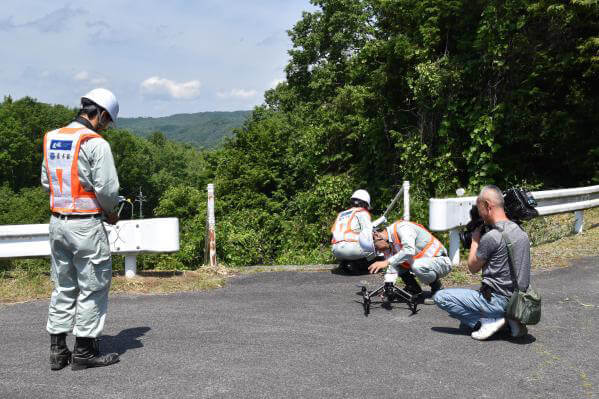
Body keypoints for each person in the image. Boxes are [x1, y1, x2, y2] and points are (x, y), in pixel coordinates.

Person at [42, 88, 121, 370]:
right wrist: (110, 211)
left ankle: (58, 351)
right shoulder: (95, 143)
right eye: (107, 120)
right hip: (86, 225)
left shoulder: (52, 138)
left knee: (63, 286)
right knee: (93, 286)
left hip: (57, 223)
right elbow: (108, 190)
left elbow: (45, 182)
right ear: (99, 113)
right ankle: (84, 352)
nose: (107, 126)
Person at [433, 185, 531, 340]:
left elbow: (472, 267)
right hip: (519, 300)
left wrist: (475, 240)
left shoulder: (492, 237)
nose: (479, 212)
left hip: (496, 299)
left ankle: (491, 320)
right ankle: (510, 319)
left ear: (487, 205)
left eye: (479, 207)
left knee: (441, 297)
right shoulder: (520, 231)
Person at [359, 218, 452, 296]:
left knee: (416, 265)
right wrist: (387, 287)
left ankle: (438, 290)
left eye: (376, 248)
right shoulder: (388, 246)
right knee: (396, 263)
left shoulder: (403, 228)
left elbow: (408, 250)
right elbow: (392, 268)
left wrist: (386, 262)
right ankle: (413, 289)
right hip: (425, 263)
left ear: (376, 235)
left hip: (441, 261)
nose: (379, 251)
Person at [331, 189, 374, 273]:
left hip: (335, 250)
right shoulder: (362, 212)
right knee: (376, 242)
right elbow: (368, 232)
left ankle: (345, 263)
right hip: (352, 250)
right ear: (365, 203)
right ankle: (363, 265)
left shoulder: (341, 214)